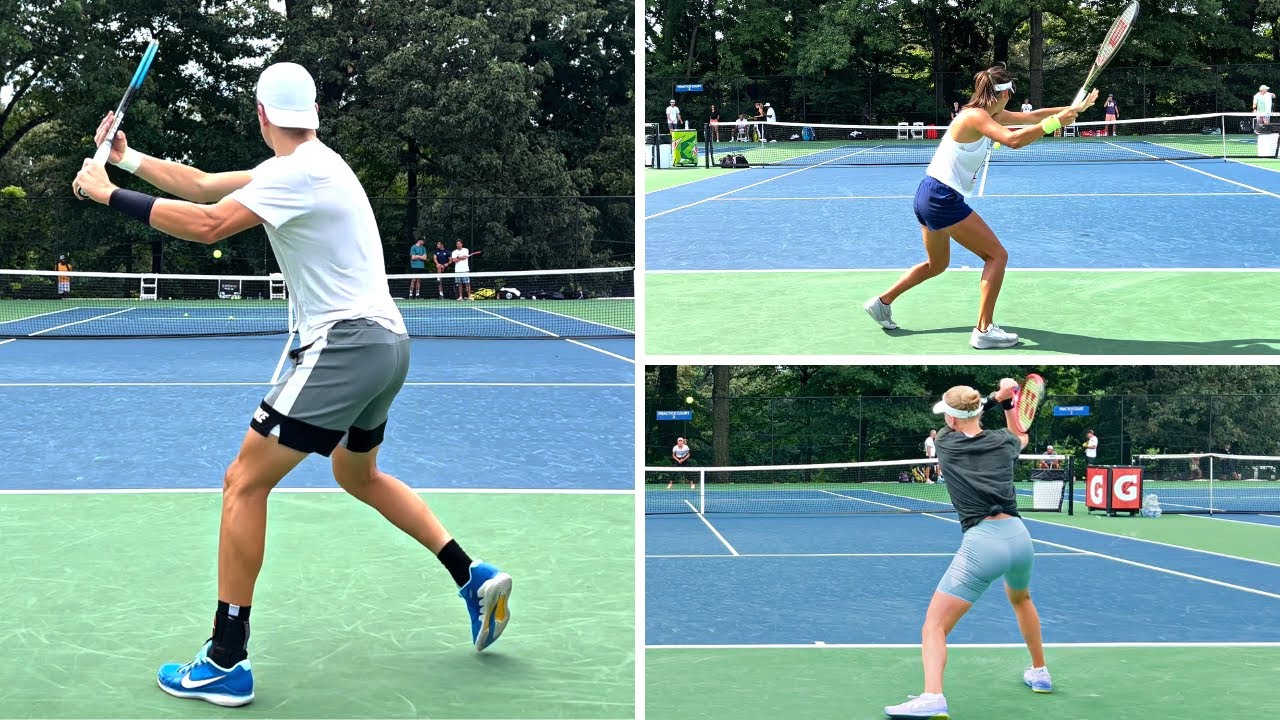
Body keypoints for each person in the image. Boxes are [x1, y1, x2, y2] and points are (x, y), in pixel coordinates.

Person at [72, 62, 512, 708]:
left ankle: (225, 659)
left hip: (346, 345)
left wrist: (107, 193)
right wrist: (127, 158)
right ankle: (471, 576)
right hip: (390, 346)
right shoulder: (315, 164)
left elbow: (208, 222)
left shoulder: (294, 173)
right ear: (312, 113)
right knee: (357, 474)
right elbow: (201, 185)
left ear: (261, 115)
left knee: (243, 482)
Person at [863, 66, 1097, 349]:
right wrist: (1055, 123)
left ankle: (882, 302)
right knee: (997, 256)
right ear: (1006, 93)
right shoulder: (975, 116)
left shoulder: (988, 113)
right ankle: (984, 330)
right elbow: (1013, 140)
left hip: (928, 193)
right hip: (941, 198)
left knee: (937, 265)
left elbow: (1031, 116)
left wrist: (1074, 109)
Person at [883, 380, 1051, 719]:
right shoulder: (1004, 442)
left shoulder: (945, 443)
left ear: (951, 418)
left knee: (934, 626)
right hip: (1019, 538)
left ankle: (933, 696)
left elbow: (968, 417)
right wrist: (1008, 403)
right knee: (1022, 599)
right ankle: (1040, 672)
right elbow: (1020, 435)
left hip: (983, 544)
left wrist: (995, 398)